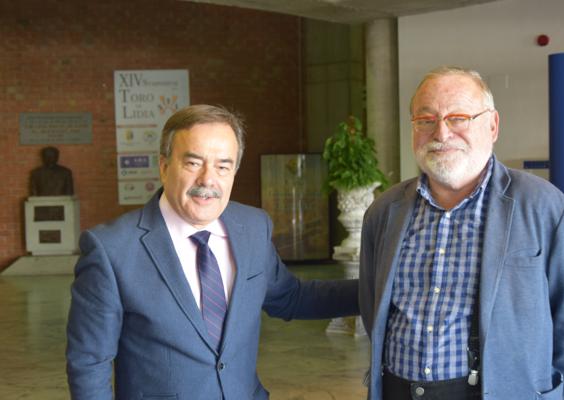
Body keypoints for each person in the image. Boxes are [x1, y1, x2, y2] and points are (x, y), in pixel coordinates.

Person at [66, 104, 359, 400]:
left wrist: (378, 289)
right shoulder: (111, 249)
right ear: (164, 166)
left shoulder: (253, 228)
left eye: (223, 166)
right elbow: (89, 363)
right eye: (193, 163)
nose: (208, 179)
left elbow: (291, 298)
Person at [359, 66, 564, 400]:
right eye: (425, 120)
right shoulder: (385, 211)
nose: (441, 133)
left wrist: (553, 395)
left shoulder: (545, 208)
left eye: (458, 118)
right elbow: (372, 304)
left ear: (493, 125)